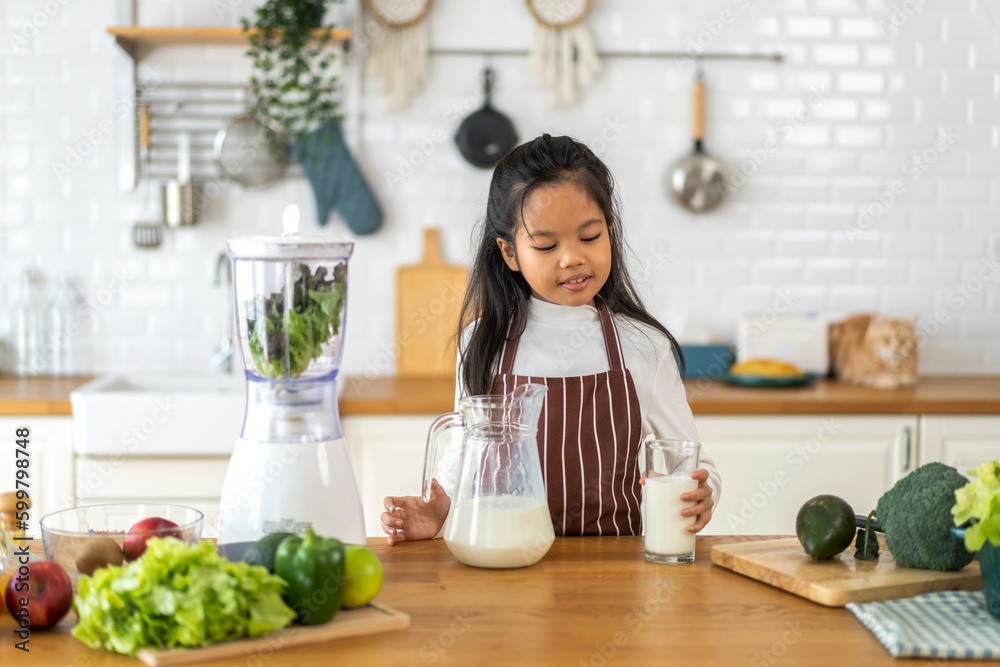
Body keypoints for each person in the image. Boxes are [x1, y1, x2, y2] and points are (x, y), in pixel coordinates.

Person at [382, 134, 721, 543]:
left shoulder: (643, 347)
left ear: (610, 231)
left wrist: (704, 492)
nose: (572, 257)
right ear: (510, 254)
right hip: (508, 570)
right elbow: (466, 451)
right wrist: (439, 508)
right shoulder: (483, 342)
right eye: (546, 245)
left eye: (590, 237)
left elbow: (690, 459)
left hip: (614, 580)